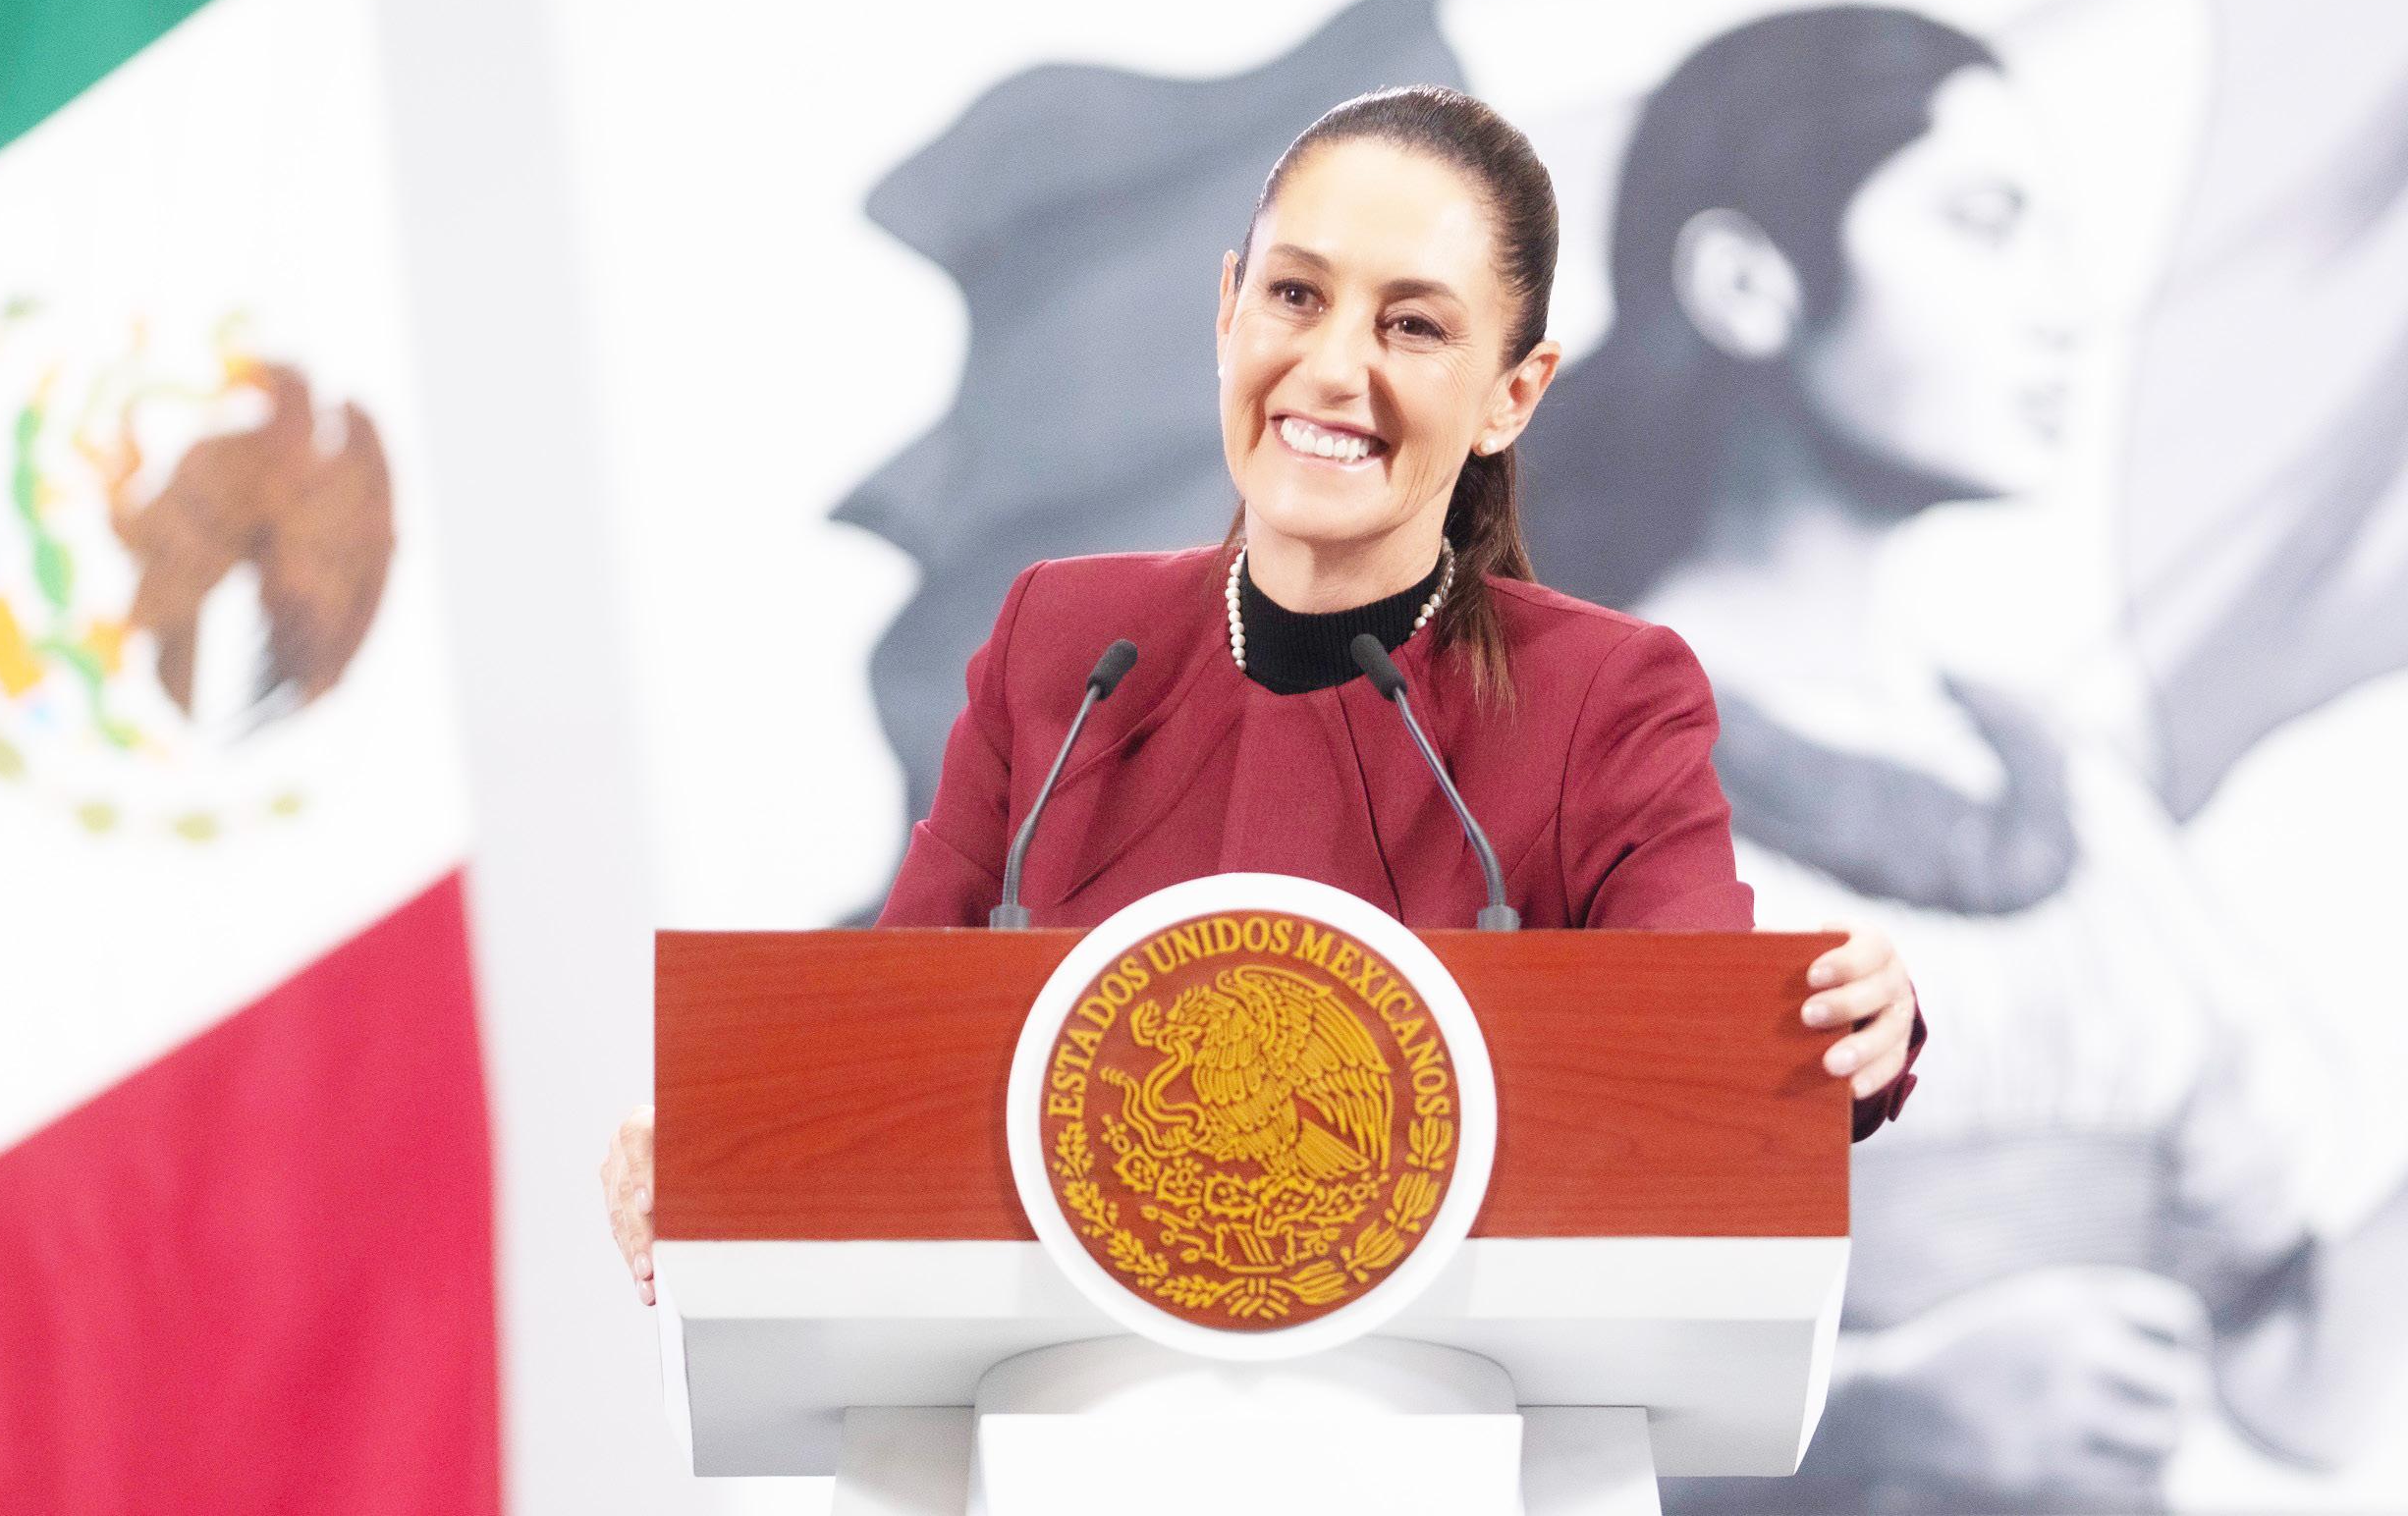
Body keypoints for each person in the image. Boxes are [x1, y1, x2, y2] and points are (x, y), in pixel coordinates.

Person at [600, 84, 1923, 1305]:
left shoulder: (1605, 697)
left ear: (1512, 397)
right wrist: (726, 1147)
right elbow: (894, 1039)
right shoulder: (1065, 642)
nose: (1334, 367)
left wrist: (1850, 1033)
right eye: (1296, 295)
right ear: (1229, 309)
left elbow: (1696, 1056)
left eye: (1414, 325)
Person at [1519, 3, 2408, 1511]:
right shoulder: (1550, 780)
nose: (2061, 310)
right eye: (1984, 224)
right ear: (1747, 282)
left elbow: (2299, 1386)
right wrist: (1873, 1414)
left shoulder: (2069, 803)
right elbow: (1439, 1387)